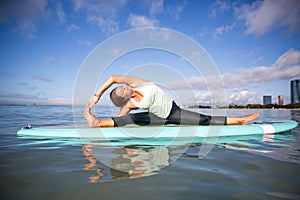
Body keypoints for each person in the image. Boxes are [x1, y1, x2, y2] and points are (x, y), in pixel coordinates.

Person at [84, 76, 259, 128]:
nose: (123, 87)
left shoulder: (137, 83)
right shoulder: (130, 104)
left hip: (173, 112)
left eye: (122, 87)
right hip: (157, 118)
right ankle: (96, 122)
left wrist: (97, 95)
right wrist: (114, 127)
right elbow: (121, 116)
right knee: (128, 119)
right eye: (121, 92)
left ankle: (240, 120)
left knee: (205, 120)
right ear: (125, 98)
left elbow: (113, 78)